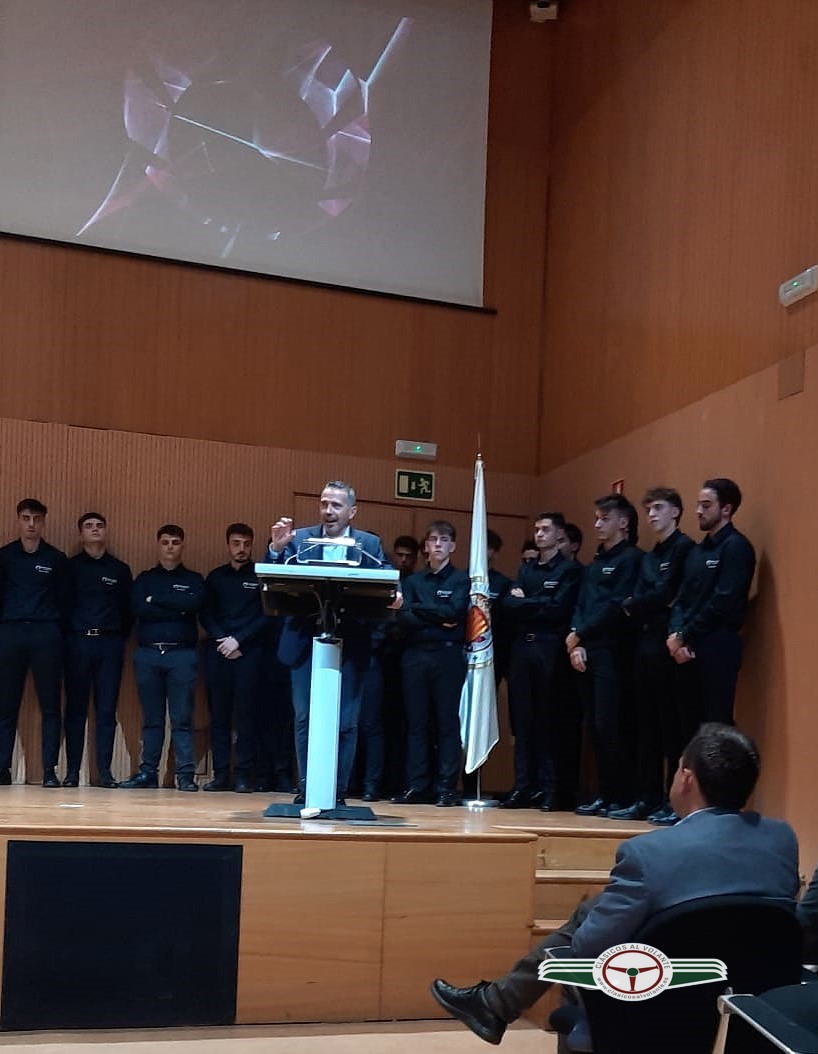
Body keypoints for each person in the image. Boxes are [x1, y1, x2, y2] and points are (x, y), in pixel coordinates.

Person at [431, 723, 800, 1045]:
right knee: (602, 912)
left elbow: (589, 948)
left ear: (686, 778)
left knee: (589, 924)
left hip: (651, 1012)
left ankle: (496, 1005)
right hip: (753, 1014)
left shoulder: (649, 853)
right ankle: (494, 1004)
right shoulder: (782, 840)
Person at [266, 481, 394, 805]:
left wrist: (397, 594)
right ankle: (308, 789)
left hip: (350, 645)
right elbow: (277, 581)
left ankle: (337, 791)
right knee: (304, 718)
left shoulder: (368, 543)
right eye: (324, 503)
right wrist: (277, 550)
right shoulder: (301, 540)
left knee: (346, 722)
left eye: (336, 505)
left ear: (352, 510)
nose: (328, 511)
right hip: (304, 642)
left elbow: (386, 582)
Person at [609, 488, 693, 822]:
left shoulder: (685, 549)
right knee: (646, 726)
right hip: (644, 643)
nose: (652, 515)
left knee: (670, 725)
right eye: (648, 509)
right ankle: (646, 796)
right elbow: (644, 595)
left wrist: (639, 604)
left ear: (676, 511)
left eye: (658, 508)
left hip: (667, 644)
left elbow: (668, 593)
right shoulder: (649, 555)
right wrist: (642, 603)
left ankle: (672, 802)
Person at [566, 494, 642, 815]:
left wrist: (580, 634)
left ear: (623, 523)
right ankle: (604, 793)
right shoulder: (595, 563)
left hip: (613, 650)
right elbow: (581, 604)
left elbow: (616, 606)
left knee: (609, 723)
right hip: (587, 649)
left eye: (604, 518)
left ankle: (621, 795)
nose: (597, 524)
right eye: (596, 518)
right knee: (593, 727)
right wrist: (576, 642)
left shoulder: (633, 560)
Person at [500, 512, 581, 811]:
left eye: (546, 529)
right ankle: (523, 787)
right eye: (537, 529)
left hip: (549, 650)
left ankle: (550, 789)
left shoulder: (569, 571)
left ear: (560, 535)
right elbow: (509, 604)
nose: (540, 534)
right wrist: (533, 603)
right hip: (523, 648)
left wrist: (526, 602)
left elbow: (558, 609)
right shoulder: (527, 569)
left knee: (547, 721)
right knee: (522, 722)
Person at [667, 478, 756, 739]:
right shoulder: (697, 551)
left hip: (717, 644)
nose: (698, 511)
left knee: (715, 728)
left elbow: (723, 601)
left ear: (726, 509)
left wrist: (686, 635)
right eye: (697, 505)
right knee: (687, 728)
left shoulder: (736, 547)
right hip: (684, 648)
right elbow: (681, 599)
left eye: (706, 505)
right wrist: (676, 635)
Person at [120, 525, 205, 791]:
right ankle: (148, 773)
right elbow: (138, 609)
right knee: (152, 719)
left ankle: (185, 775)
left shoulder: (193, 579)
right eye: (165, 542)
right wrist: (175, 605)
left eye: (175, 542)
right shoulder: (144, 578)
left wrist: (157, 600)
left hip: (182, 654)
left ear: (182, 546)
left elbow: (194, 605)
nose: (170, 546)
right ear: (158, 545)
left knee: (182, 718)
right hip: (148, 654)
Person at [394, 521, 469, 807]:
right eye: (433, 539)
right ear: (425, 546)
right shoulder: (412, 581)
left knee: (448, 722)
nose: (438, 544)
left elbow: (455, 613)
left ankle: (446, 787)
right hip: (415, 655)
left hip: (448, 656)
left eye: (444, 539)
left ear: (453, 546)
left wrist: (420, 611)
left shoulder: (461, 580)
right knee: (416, 723)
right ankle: (417, 785)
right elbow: (404, 618)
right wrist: (438, 618)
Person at [0, 499, 67, 787]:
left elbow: (65, 601)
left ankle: (49, 770)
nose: (31, 524)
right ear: (18, 520)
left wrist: (54, 631)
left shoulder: (56, 558)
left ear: (43, 522)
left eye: (36, 519)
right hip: (11, 632)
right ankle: (1, 768)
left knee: (50, 705)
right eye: (26, 518)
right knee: (5, 706)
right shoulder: (4, 556)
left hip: (45, 634)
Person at [63, 512, 133, 788]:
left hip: (110, 644)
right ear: (80, 534)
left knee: (106, 710)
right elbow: (62, 604)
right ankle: (71, 772)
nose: (95, 530)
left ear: (106, 532)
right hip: (77, 642)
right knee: (75, 710)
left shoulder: (119, 569)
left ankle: (104, 772)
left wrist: (116, 637)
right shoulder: (69, 568)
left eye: (99, 526)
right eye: (89, 527)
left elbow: (128, 611)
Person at [200, 523, 267, 793]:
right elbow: (205, 614)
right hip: (219, 651)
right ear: (228, 544)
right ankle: (220, 775)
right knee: (219, 716)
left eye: (246, 544)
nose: (241, 549)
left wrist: (238, 640)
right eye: (236, 543)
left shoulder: (261, 575)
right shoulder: (215, 577)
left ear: (252, 545)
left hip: (248, 652)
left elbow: (266, 615)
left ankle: (242, 774)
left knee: (246, 715)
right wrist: (223, 640)